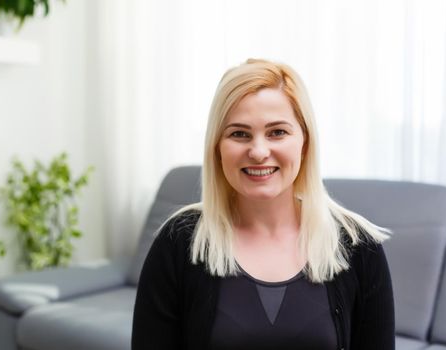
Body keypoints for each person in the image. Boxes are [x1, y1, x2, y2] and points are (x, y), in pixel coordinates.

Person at [131, 58, 395, 350]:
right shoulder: (179, 243)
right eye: (239, 134)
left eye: (277, 132)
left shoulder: (360, 247)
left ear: (305, 142)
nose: (258, 151)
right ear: (217, 147)